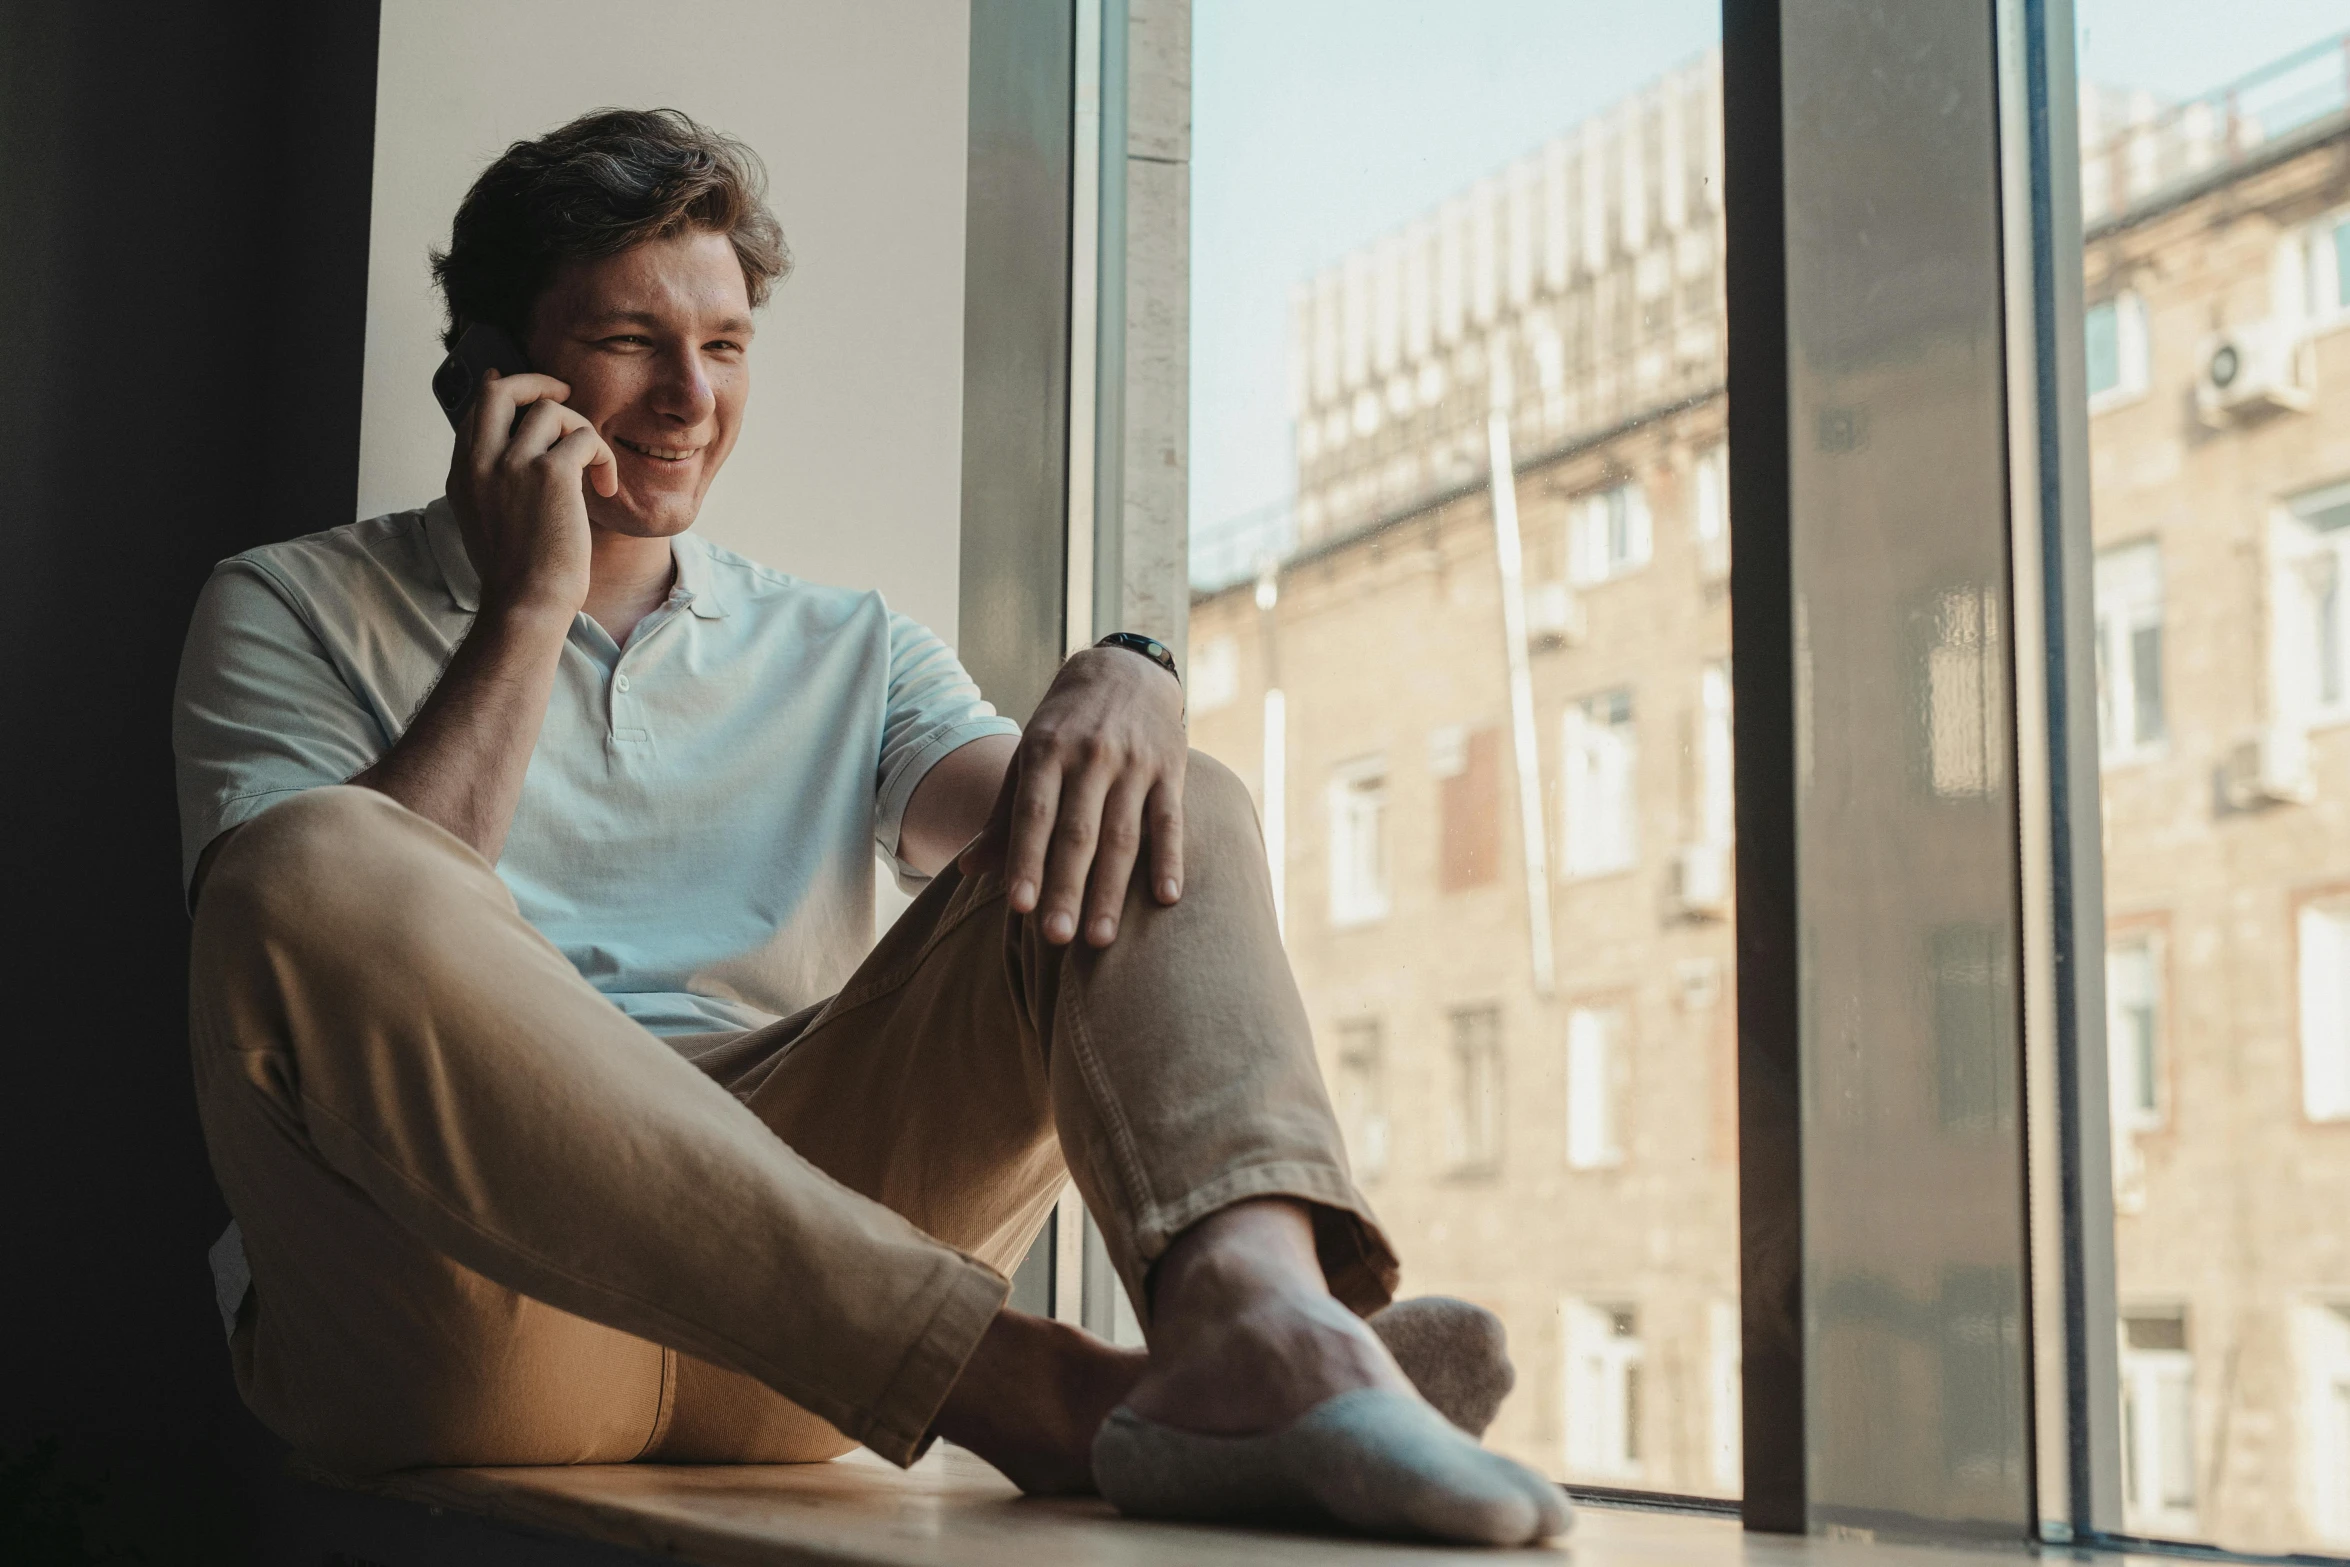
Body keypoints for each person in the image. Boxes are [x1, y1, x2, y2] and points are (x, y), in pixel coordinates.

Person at [173, 107, 1565, 1545]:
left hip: (799, 1339)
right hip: (464, 1307)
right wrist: (533, 600)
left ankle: (1259, 1328)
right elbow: (327, 967)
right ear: (487, 372)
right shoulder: (288, 605)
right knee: (305, 862)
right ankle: (1050, 1387)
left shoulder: (845, 644)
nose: (685, 399)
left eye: (722, 347)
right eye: (626, 341)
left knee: (1165, 797)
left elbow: (1060, 829)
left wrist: (1133, 670)